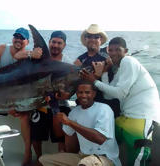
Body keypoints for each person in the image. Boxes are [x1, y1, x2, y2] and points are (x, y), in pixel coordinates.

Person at [81, 37, 160, 166]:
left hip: (142, 118)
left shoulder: (129, 61)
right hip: (126, 118)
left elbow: (120, 93)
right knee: (105, 144)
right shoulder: (119, 71)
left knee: (137, 161)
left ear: (126, 51)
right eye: (110, 50)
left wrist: (94, 80)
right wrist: (105, 73)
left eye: (118, 49)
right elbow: (108, 95)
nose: (113, 53)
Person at [0, 27, 42, 165]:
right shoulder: (2, 48)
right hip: (1, 97)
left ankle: (27, 152)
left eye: (22, 38)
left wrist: (15, 105)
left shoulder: (28, 55)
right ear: (13, 38)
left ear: (27, 41)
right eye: (16, 37)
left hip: (19, 98)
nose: (18, 40)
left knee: (25, 117)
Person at [39, 80, 121, 166]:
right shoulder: (74, 112)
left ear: (94, 94)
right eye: (80, 92)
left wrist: (70, 122)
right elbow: (59, 134)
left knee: (84, 164)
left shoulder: (104, 109)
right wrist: (54, 107)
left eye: (87, 92)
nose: (83, 95)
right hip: (81, 156)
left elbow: (100, 138)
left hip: (104, 158)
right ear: (76, 94)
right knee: (43, 160)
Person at [30, 31, 71, 160]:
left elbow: (71, 90)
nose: (56, 45)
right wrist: (30, 53)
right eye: (53, 42)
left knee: (61, 138)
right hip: (39, 104)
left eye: (59, 43)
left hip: (60, 106)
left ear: (64, 45)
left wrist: (65, 95)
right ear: (49, 42)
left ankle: (59, 161)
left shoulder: (68, 62)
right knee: (36, 136)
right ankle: (39, 159)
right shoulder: (38, 58)